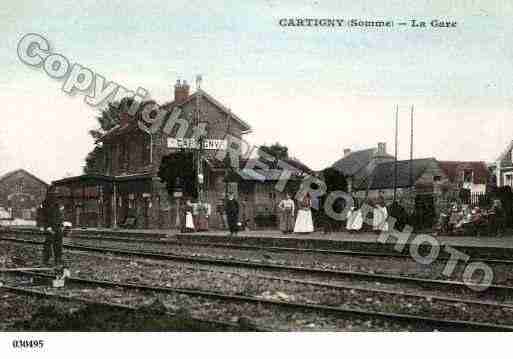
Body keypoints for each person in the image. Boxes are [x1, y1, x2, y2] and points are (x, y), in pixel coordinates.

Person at [43, 194, 64, 267]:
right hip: (50, 228)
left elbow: (61, 218)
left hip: (58, 228)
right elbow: (44, 218)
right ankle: (46, 260)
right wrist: (48, 227)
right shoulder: (47, 207)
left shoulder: (59, 208)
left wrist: (62, 226)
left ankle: (57, 260)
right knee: (48, 245)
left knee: (58, 245)